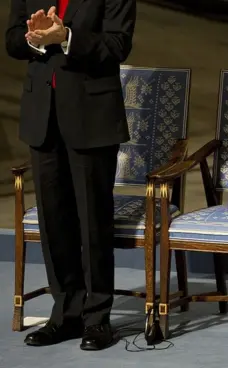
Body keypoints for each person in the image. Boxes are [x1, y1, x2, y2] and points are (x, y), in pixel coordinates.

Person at [5, 0, 136, 351]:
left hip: (90, 117)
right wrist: (33, 38)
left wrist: (67, 37)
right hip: (41, 118)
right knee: (55, 223)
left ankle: (97, 318)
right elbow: (12, 39)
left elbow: (117, 45)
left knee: (93, 221)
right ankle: (65, 313)